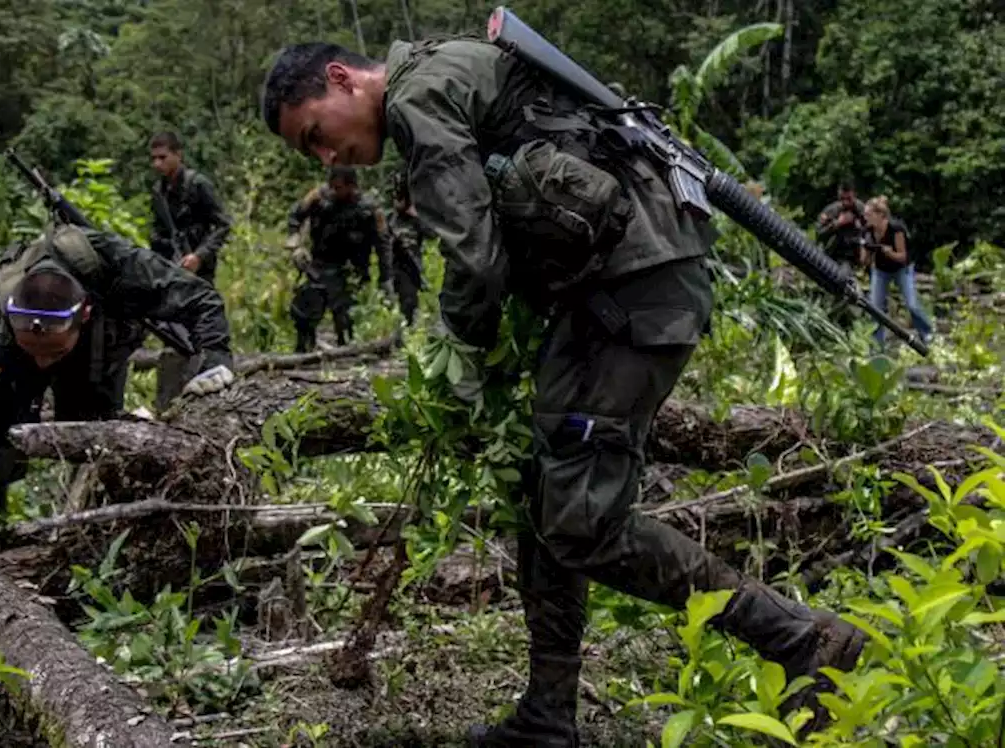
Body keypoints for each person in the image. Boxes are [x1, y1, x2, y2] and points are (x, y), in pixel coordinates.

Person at [261, 37, 866, 745]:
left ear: (341, 79)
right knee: (542, 497)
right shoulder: (447, 72)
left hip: (634, 291)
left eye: (316, 135)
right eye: (312, 155)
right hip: (613, 290)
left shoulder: (419, 95)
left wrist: (459, 347)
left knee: (582, 519)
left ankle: (802, 639)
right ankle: (549, 715)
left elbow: (474, 255)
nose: (328, 158)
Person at [0, 224, 236, 516]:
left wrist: (215, 360)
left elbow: (201, 299)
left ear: (84, 315)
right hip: (14, 359)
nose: (43, 362)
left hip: (96, 345)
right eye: (35, 351)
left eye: (54, 352)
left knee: (95, 428)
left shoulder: (116, 265)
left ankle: (106, 517)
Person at [147, 131, 235, 409]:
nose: (157, 164)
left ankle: (208, 381)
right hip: (172, 264)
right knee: (172, 326)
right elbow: (158, 229)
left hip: (199, 265)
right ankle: (175, 394)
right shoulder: (159, 191)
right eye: (154, 159)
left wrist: (199, 255)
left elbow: (223, 224)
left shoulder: (197, 185)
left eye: (163, 157)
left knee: (202, 322)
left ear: (178, 155)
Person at [284, 166, 392, 352]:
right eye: (332, 186)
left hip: (352, 269)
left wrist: (385, 277)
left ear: (352, 186)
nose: (334, 191)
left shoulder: (370, 209)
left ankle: (345, 354)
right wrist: (295, 242)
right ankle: (304, 352)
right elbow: (296, 215)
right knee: (306, 311)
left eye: (339, 187)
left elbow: (383, 244)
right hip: (320, 264)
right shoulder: (318, 197)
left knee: (345, 318)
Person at [861, 196, 934, 347]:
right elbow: (864, 261)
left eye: (869, 215)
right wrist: (866, 249)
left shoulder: (896, 228)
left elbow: (902, 256)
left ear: (880, 215)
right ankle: (877, 344)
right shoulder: (867, 231)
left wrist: (889, 252)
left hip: (901, 268)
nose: (865, 218)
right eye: (865, 215)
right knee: (875, 307)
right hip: (881, 270)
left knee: (911, 304)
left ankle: (927, 333)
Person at [387, 169, 435, 325]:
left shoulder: (417, 219)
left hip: (412, 268)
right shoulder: (390, 219)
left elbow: (433, 235)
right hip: (394, 269)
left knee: (410, 303)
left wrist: (416, 214)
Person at [817, 181, 867, 271]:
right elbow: (819, 234)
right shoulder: (831, 210)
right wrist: (837, 223)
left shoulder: (862, 210)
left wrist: (859, 227)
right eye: (842, 199)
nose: (845, 202)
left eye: (849, 199)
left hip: (852, 256)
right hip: (832, 252)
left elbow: (871, 233)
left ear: (855, 195)